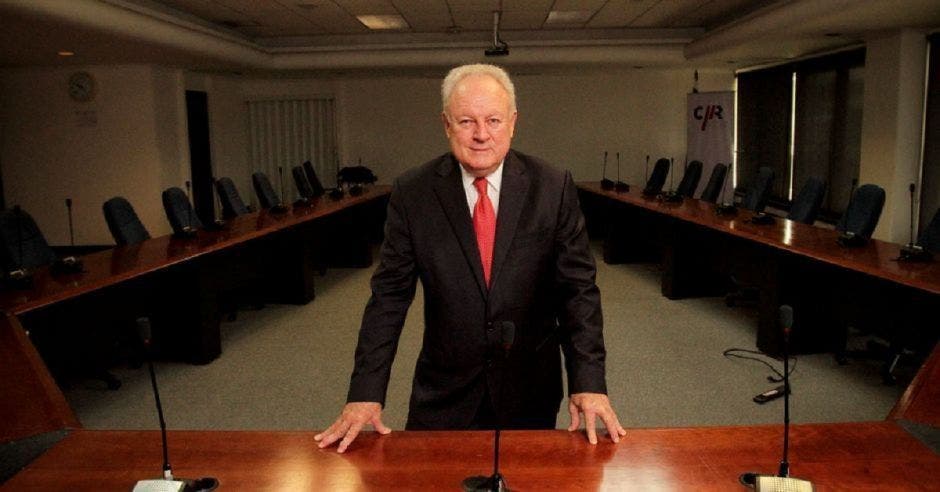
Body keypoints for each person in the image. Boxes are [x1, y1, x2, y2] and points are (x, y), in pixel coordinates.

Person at [315, 64, 625, 453]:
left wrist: (589, 382)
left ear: (513, 123)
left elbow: (578, 293)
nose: (481, 134)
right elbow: (388, 299)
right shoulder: (414, 193)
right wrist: (365, 391)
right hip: (443, 390)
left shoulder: (552, 187)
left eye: (493, 120)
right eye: (467, 121)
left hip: (528, 386)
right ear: (446, 125)